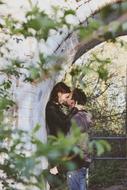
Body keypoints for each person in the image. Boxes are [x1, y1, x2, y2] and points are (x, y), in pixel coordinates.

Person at [45, 82, 78, 189]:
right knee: (57, 179)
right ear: (59, 93)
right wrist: (74, 111)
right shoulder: (51, 108)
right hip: (55, 147)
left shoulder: (56, 107)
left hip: (59, 146)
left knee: (61, 178)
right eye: (66, 96)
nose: (66, 99)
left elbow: (65, 123)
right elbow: (63, 125)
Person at [66, 88, 93, 190]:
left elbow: (70, 144)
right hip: (83, 162)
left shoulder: (76, 119)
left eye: (69, 97)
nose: (67, 100)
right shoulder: (86, 116)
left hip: (75, 164)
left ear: (74, 101)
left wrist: (59, 167)